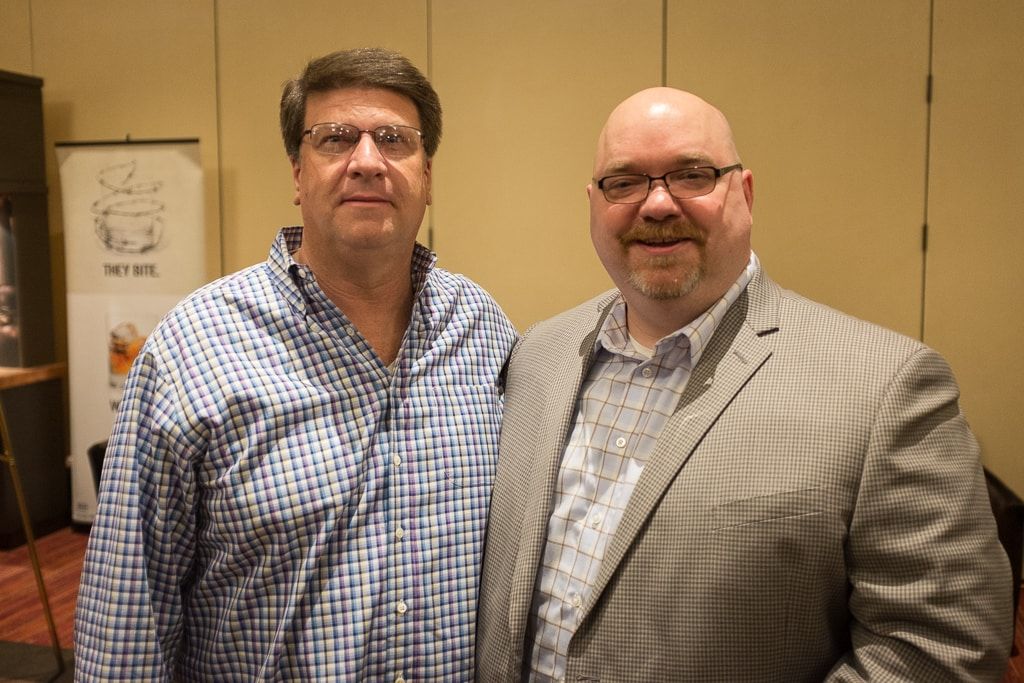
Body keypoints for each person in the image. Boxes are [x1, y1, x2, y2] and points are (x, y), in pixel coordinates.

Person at [475, 87, 1013, 681]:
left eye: (692, 175)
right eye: (624, 182)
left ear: (746, 193)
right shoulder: (538, 355)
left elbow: (939, 648)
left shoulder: (886, 387)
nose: (658, 204)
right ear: (593, 203)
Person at [75, 47, 517, 681]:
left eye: (394, 140)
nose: (368, 161)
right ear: (297, 174)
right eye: (335, 138)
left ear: (427, 175)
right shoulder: (192, 350)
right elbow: (127, 623)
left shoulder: (482, 330)